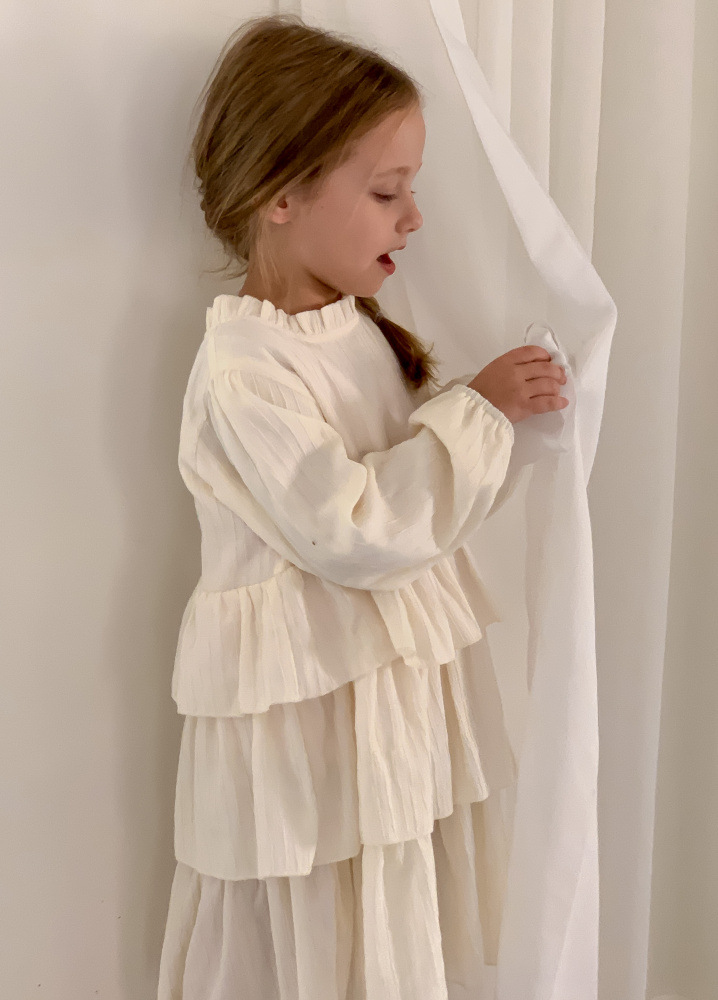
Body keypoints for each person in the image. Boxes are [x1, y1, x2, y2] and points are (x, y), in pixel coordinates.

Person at [156, 13, 568, 1000]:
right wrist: (479, 414)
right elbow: (351, 529)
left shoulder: (357, 330)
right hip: (305, 728)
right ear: (281, 195)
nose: (413, 217)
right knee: (307, 932)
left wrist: (497, 421)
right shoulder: (246, 370)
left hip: (377, 711)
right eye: (388, 192)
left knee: (384, 931)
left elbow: (427, 505)